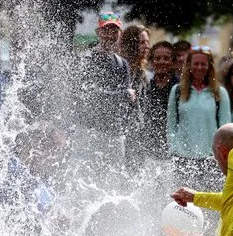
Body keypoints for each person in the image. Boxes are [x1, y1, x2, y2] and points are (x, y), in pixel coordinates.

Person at [166, 45, 230, 189]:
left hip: (210, 159)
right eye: (196, 63)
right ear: (189, 65)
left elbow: (226, 129)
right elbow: (170, 125)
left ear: (209, 66)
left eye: (203, 64)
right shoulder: (177, 91)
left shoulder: (220, 93)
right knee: (182, 204)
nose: (199, 67)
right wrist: (174, 148)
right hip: (182, 158)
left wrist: (221, 156)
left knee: (207, 204)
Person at [76, 11, 133, 168]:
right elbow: (89, 94)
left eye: (114, 31)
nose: (110, 35)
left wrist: (124, 97)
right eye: (106, 30)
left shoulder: (123, 64)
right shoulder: (86, 59)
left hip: (115, 134)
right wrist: (122, 95)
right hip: (89, 132)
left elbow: (128, 101)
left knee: (114, 183)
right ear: (98, 33)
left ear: (120, 34)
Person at [119, 24, 150, 163]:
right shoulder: (119, 68)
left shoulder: (142, 73)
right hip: (119, 135)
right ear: (131, 44)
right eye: (142, 42)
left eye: (148, 42)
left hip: (137, 136)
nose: (147, 46)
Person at [144, 41, 178, 157]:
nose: (161, 62)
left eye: (166, 58)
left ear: (173, 62)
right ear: (152, 62)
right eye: (157, 58)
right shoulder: (145, 85)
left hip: (173, 150)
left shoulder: (180, 88)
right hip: (148, 149)